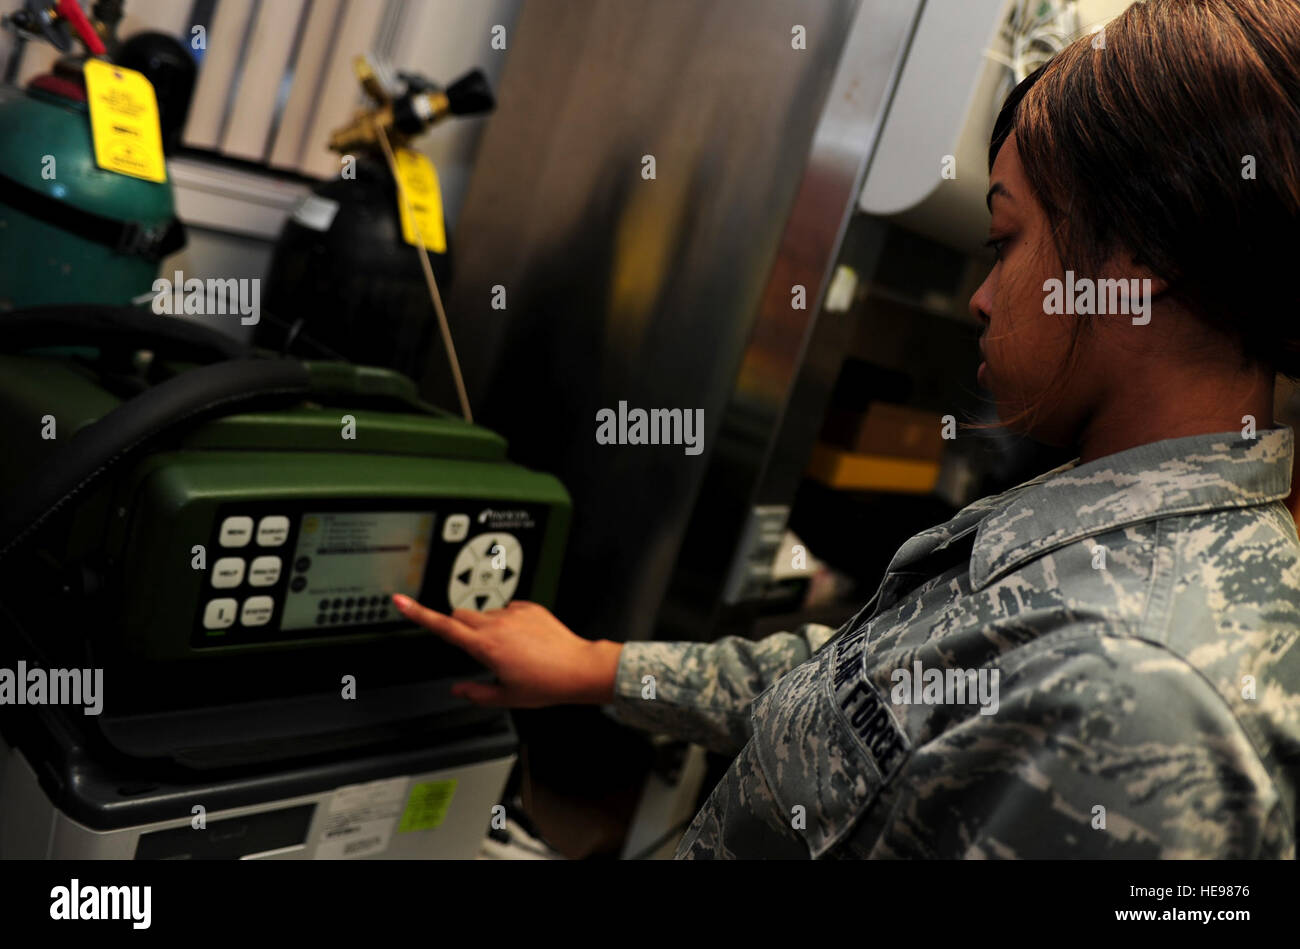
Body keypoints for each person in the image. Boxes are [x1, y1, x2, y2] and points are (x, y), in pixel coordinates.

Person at [393, 0, 1300, 858]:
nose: (981, 299)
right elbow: (875, 698)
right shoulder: (1102, 530)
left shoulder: (1141, 695)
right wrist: (597, 667)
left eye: (1004, 241)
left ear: (1141, 262)